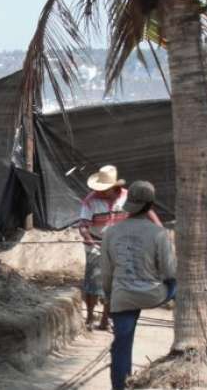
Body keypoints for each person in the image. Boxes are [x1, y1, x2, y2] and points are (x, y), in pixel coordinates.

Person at [100, 180, 176, 390]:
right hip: (154, 294)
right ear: (151, 205)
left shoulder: (110, 233)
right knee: (178, 285)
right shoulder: (159, 234)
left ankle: (120, 387)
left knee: (121, 346)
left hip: (122, 297)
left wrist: (109, 297)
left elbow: (106, 274)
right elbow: (170, 272)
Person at [79, 165, 162, 331]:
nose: (100, 191)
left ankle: (105, 320)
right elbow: (83, 226)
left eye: (104, 189)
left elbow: (148, 211)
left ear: (114, 187)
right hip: (97, 243)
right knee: (94, 282)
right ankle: (89, 316)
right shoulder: (90, 201)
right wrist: (91, 242)